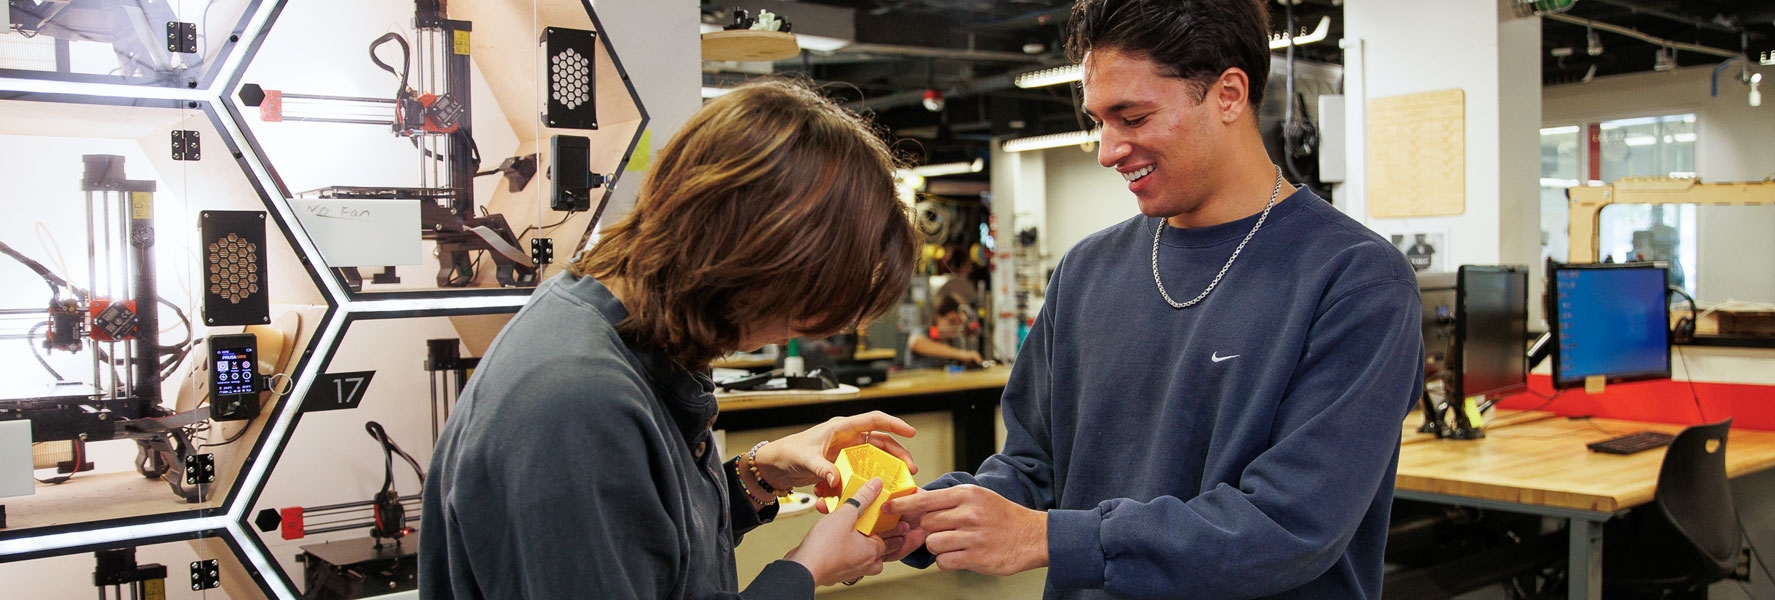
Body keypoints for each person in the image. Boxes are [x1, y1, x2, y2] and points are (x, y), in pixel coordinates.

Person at [880, 1, 1424, 598]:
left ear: (1228, 94)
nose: (1108, 150)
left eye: (1133, 117)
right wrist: (922, 515)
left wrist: (1047, 538)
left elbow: (1289, 525)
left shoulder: (1356, 282)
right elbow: (1034, 467)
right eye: (1099, 121)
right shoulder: (1085, 272)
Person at [421, 79, 925, 599]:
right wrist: (803, 571)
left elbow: (645, 544)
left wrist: (758, 476)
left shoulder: (627, 339)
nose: (796, 332)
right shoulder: (576, 404)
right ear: (753, 263)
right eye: (804, 309)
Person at [908, 293, 984, 366]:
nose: (957, 327)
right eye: (952, 321)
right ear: (938, 318)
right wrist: (962, 354)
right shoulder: (924, 333)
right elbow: (915, 342)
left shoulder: (955, 341)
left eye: (961, 323)